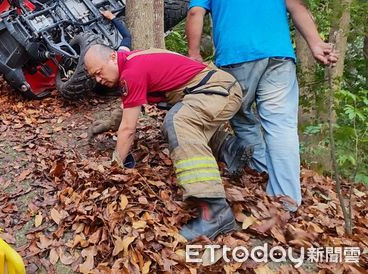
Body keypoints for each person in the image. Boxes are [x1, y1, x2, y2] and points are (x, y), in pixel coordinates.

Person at [186, 0, 338, 211]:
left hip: (236, 58)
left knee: (239, 114)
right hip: (279, 57)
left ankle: (263, 168)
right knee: (281, 125)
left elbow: (195, 12)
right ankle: (287, 199)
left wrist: (194, 54)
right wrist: (316, 43)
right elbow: (298, 8)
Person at [83, 45, 253, 240]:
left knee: (178, 121)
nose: (98, 79)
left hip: (217, 90)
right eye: (94, 76)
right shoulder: (132, 63)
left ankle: (214, 211)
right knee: (185, 118)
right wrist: (107, 124)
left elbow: (128, 129)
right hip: (215, 88)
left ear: (112, 57)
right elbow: (130, 105)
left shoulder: (132, 71)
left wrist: (115, 166)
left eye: (98, 72)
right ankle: (230, 149)